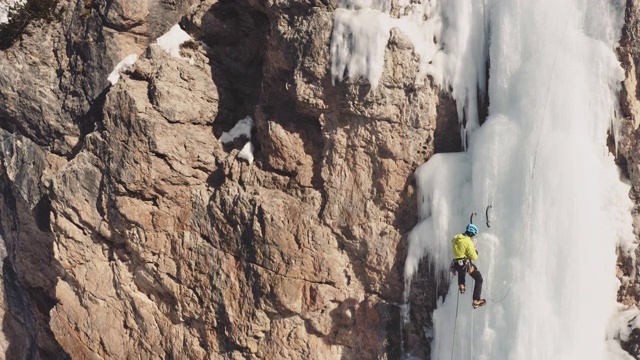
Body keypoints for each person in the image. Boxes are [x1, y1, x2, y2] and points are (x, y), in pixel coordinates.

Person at [450, 224, 486, 309]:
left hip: (456, 265)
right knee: (479, 279)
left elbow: (460, 252)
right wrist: (475, 250)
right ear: (471, 234)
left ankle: (461, 285)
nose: (473, 237)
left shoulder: (455, 238)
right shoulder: (468, 242)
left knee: (461, 270)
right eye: (473, 235)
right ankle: (476, 300)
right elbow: (474, 256)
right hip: (465, 265)